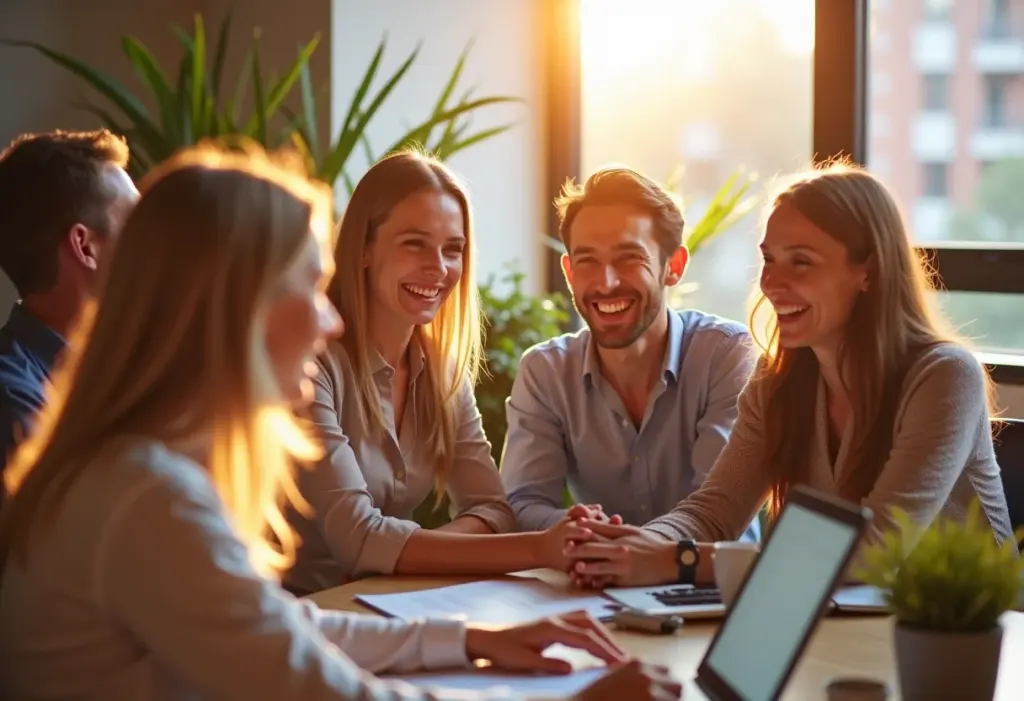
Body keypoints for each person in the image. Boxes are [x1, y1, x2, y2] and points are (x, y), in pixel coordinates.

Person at [0, 143, 680, 701]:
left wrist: (471, 638)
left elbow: (285, 627)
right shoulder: (149, 496)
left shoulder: (138, 471)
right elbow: (322, 688)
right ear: (238, 304)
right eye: (310, 284)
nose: (329, 318)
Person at [562, 161, 1015, 589]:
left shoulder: (945, 377)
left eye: (801, 261)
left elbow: (873, 552)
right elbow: (714, 512)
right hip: (839, 621)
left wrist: (676, 559)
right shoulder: (778, 377)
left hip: (969, 632)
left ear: (868, 271)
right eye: (769, 260)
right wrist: (627, 548)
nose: (772, 284)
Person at [284, 150, 597, 593]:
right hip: (297, 612)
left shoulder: (442, 373)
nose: (439, 267)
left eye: (453, 249)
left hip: (388, 605)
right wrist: (541, 549)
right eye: (415, 244)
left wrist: (399, 557)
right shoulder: (309, 367)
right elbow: (358, 538)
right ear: (365, 248)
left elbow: (493, 511)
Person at [500, 166, 758, 538]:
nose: (606, 282)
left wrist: (625, 546)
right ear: (569, 272)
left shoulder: (726, 355)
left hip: (705, 575)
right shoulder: (546, 371)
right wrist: (581, 530)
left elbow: (720, 513)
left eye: (629, 258)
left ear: (674, 267)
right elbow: (522, 504)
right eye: (588, 261)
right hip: (596, 572)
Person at [0, 129, 138, 494]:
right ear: (85, 246)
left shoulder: (121, 368)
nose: (152, 243)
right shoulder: (16, 405)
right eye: (136, 224)